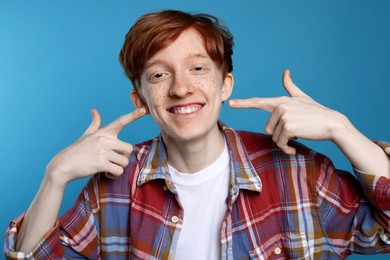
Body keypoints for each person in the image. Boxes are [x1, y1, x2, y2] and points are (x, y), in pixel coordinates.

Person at [4, 10, 390, 259]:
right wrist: (54, 177)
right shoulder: (114, 188)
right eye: (159, 74)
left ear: (225, 85)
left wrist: (342, 129)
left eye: (198, 68)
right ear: (141, 98)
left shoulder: (297, 172)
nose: (180, 88)